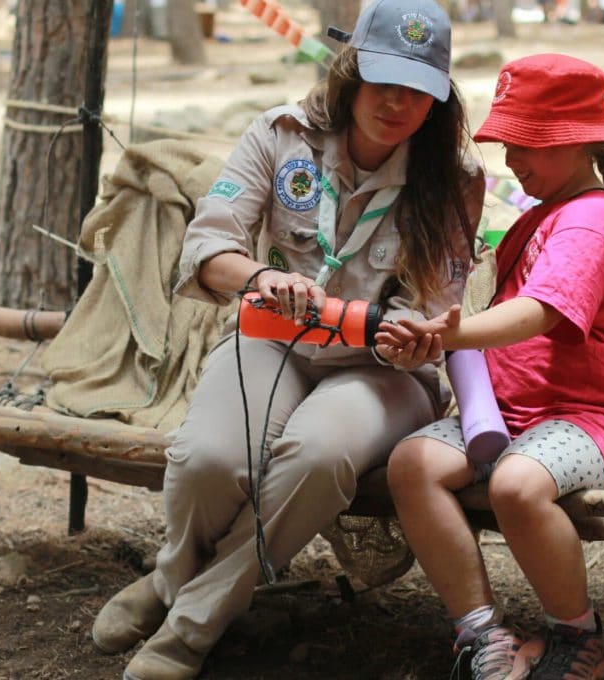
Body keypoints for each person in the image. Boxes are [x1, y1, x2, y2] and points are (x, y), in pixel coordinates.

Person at [90, 2, 485, 679]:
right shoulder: (278, 135)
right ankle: (167, 578)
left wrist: (414, 339)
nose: (398, 102)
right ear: (351, 71)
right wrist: (263, 278)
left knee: (317, 456)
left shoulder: (455, 177)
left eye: (419, 90)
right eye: (385, 80)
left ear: (439, 98)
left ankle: (189, 625)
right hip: (273, 337)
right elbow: (209, 245)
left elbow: (438, 302)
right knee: (209, 458)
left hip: (380, 369)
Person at [378, 53, 604, 680]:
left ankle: (579, 637)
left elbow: (541, 314)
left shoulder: (590, 218)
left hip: (596, 420)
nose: (513, 160)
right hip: (512, 418)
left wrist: (451, 332)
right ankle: (481, 632)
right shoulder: (542, 213)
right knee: (412, 464)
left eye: (532, 143)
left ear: (584, 142)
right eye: (510, 142)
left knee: (514, 485)